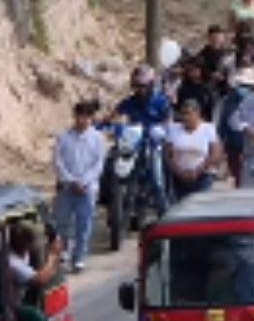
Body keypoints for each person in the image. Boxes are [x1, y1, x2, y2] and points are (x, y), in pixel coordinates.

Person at [52, 100, 106, 272]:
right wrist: (70, 180)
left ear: (91, 118)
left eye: (86, 117)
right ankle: (63, 252)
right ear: (74, 117)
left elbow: (98, 164)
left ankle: (79, 258)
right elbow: (58, 162)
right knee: (62, 222)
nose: (82, 120)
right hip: (67, 187)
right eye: (79, 116)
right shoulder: (64, 137)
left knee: (84, 225)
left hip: (87, 189)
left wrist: (84, 182)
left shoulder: (97, 138)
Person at [112, 65, 172, 210]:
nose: (140, 89)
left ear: (151, 85)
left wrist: (161, 129)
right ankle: (111, 203)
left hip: (153, 143)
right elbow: (114, 114)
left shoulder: (161, 100)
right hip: (133, 142)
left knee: (157, 179)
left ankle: (164, 211)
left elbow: (168, 119)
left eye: (143, 86)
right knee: (111, 160)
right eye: (137, 86)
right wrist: (103, 123)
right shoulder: (130, 101)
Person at [165, 98, 222, 199]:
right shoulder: (174, 129)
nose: (185, 117)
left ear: (197, 113)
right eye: (182, 114)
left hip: (203, 176)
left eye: (188, 114)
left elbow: (215, 153)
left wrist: (198, 171)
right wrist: (179, 172)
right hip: (179, 178)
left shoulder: (208, 129)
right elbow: (167, 155)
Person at [218, 66, 254, 188]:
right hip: (232, 145)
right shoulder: (228, 101)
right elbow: (223, 123)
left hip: (252, 148)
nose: (244, 89)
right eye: (242, 85)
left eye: (247, 86)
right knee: (237, 178)